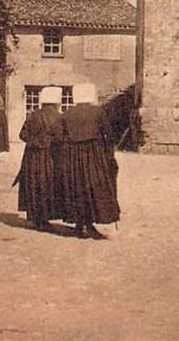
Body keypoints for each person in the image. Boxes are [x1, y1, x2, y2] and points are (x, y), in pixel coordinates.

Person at [57, 83, 120, 239]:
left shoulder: (67, 114)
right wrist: (108, 155)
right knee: (94, 186)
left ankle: (80, 225)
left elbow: (59, 137)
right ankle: (89, 224)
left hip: (72, 156)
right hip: (94, 154)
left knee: (77, 187)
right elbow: (109, 134)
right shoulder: (98, 112)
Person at [14, 86, 63, 231]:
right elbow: (60, 138)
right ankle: (45, 218)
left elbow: (22, 135)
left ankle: (35, 217)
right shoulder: (59, 117)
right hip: (50, 156)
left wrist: (34, 141)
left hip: (31, 156)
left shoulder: (32, 115)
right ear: (56, 101)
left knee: (33, 184)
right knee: (48, 185)